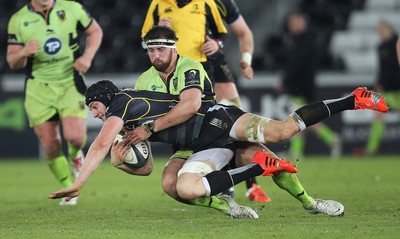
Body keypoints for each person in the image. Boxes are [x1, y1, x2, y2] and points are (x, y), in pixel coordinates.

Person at [49, 79, 388, 218]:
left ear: (103, 100)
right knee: (180, 185)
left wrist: (81, 181)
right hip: (201, 145)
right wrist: (122, 164)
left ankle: (352, 99)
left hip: (217, 120)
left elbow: (99, 144)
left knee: (280, 131)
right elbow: (147, 168)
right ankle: (245, 199)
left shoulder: (120, 104)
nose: (93, 114)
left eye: (92, 107)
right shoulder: (127, 121)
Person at [6, 0, 103, 205]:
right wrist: (23, 52)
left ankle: (76, 155)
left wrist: (87, 57)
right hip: (38, 88)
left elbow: (95, 31)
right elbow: (12, 61)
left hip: (70, 82)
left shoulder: (72, 8)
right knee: (50, 146)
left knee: (75, 138)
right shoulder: (18, 20)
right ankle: (69, 188)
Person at [210, 0, 269, 202]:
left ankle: (252, 185)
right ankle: (220, 183)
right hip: (183, 74)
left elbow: (244, 33)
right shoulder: (166, 4)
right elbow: (152, 40)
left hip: (216, 68)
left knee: (238, 126)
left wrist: (247, 59)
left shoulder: (220, 3)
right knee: (201, 129)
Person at [278, 11, 341, 159]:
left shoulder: (303, 41)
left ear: (302, 23)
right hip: (303, 86)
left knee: (299, 119)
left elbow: (297, 65)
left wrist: (286, 81)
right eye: (290, 23)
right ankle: (299, 151)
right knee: (301, 119)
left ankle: (331, 139)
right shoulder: (302, 40)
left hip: (302, 87)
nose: (291, 26)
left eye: (294, 23)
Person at [363, 21, 400, 156]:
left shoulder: (397, 43)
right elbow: (382, 69)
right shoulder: (380, 47)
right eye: (379, 30)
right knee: (378, 115)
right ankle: (372, 149)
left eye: (382, 30)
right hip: (388, 90)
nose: (380, 33)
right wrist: (379, 84)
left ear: (390, 29)